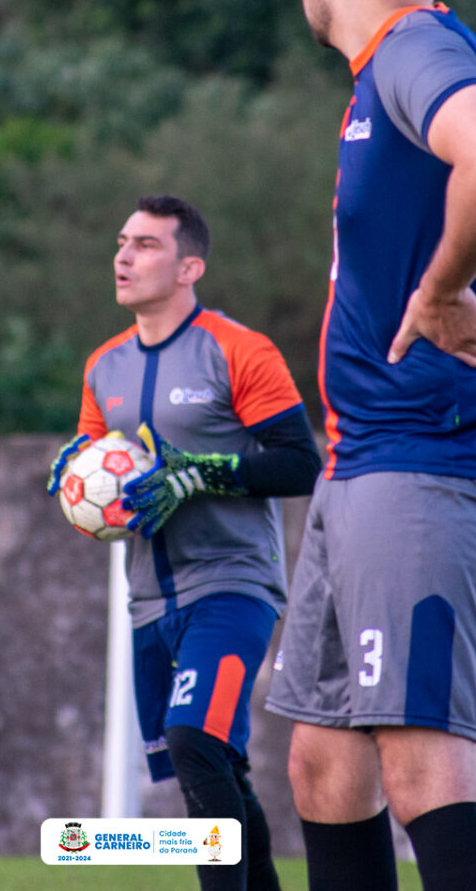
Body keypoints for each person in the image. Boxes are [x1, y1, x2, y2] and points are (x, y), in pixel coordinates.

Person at [263, 0, 476, 891]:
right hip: (365, 460)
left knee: (422, 764)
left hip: (423, 463)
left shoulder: (413, 48)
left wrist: (438, 289)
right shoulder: (397, 61)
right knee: (325, 762)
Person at [48, 194, 322, 891]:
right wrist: (76, 472)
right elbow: (98, 454)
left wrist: (203, 474)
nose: (123, 255)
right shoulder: (102, 366)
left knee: (195, 741)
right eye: (120, 241)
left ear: (188, 266)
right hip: (146, 602)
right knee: (215, 766)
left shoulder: (238, 350)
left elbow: (299, 461)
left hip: (233, 587)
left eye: (144, 244)